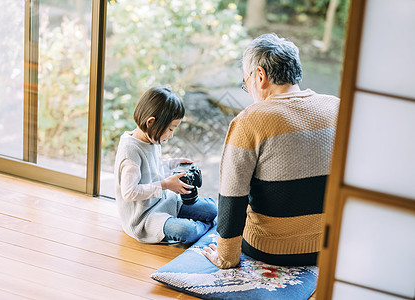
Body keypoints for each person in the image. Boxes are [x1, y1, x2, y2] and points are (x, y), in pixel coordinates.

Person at [202, 33, 340, 268]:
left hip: (271, 249)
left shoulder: (249, 121)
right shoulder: (337, 106)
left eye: (246, 83)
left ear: (260, 75)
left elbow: (232, 196)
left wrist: (226, 257)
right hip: (332, 245)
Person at [114, 86, 217, 244]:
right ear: (151, 122)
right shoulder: (131, 152)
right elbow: (129, 193)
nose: (171, 135)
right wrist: (165, 185)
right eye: (170, 129)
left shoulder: (151, 139)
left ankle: (199, 227)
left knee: (212, 210)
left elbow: (151, 170)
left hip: (164, 202)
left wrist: (172, 164)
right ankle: (201, 228)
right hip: (145, 217)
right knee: (186, 231)